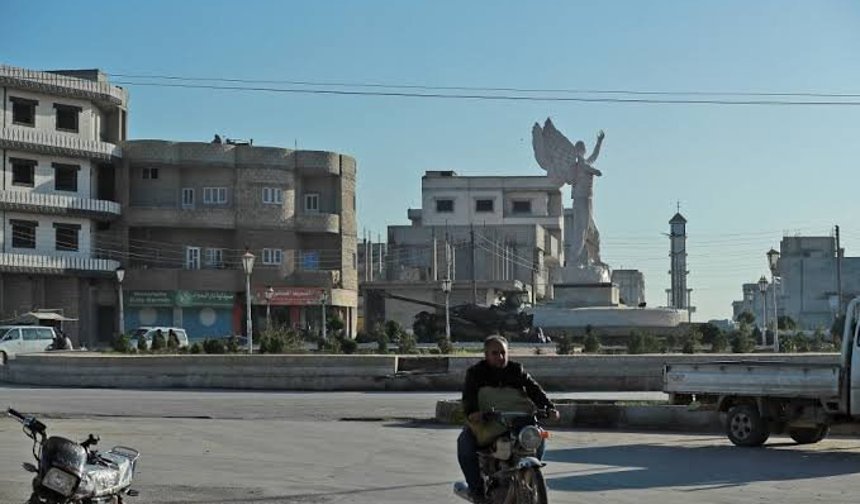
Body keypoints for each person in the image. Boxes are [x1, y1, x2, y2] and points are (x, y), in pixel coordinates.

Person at [457, 335, 559, 503]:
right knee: (465, 443)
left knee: (538, 436)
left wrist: (549, 408)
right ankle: (477, 491)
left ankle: (530, 476)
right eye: (495, 353)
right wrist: (473, 412)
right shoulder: (475, 373)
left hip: (519, 421)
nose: (500, 357)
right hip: (487, 422)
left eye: (503, 353)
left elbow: (535, 390)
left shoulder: (516, 370)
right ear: (486, 354)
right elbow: (468, 397)